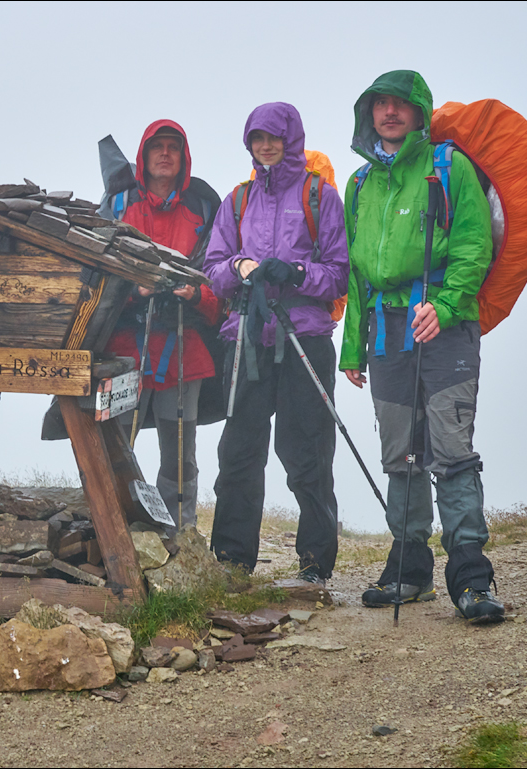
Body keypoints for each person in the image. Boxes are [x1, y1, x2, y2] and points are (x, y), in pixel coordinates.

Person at [340, 70, 503, 623]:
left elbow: (472, 246)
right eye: (380, 105)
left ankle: (470, 576)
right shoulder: (359, 184)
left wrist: (450, 303)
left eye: (400, 105)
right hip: (386, 336)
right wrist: (351, 348)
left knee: (452, 452)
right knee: (401, 457)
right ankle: (409, 570)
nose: (389, 113)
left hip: (445, 331)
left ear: (418, 112)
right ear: (370, 116)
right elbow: (357, 274)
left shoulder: (448, 167)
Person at [203, 103, 348, 581]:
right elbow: (213, 268)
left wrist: (298, 273)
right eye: (256, 138)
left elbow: (340, 273)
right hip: (247, 337)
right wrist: (241, 269)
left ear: (291, 139)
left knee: (307, 449)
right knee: (240, 451)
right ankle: (231, 561)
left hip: (304, 336)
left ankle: (314, 565)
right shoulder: (237, 200)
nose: (265, 146)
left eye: (273, 137)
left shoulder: (319, 196)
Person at [101, 120, 222, 531]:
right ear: (144, 157)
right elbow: (95, 271)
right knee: (116, 442)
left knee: (179, 451)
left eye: (174, 147)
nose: (165, 154)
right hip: (122, 349)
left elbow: (217, 279)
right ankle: (114, 526)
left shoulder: (203, 210)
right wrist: (131, 290)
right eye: (158, 148)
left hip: (183, 347)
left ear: (183, 157)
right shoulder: (119, 206)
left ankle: (176, 536)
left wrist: (197, 294)